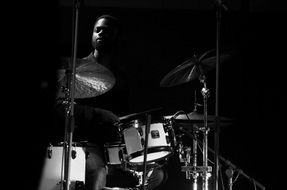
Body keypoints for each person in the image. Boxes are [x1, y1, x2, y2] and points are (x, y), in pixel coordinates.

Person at [51, 14, 168, 190]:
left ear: (116, 38)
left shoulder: (120, 77)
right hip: (86, 145)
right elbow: (58, 107)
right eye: (97, 30)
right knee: (98, 172)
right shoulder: (74, 71)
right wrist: (98, 113)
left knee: (156, 175)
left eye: (107, 31)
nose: (100, 33)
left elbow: (123, 116)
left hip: (115, 146)